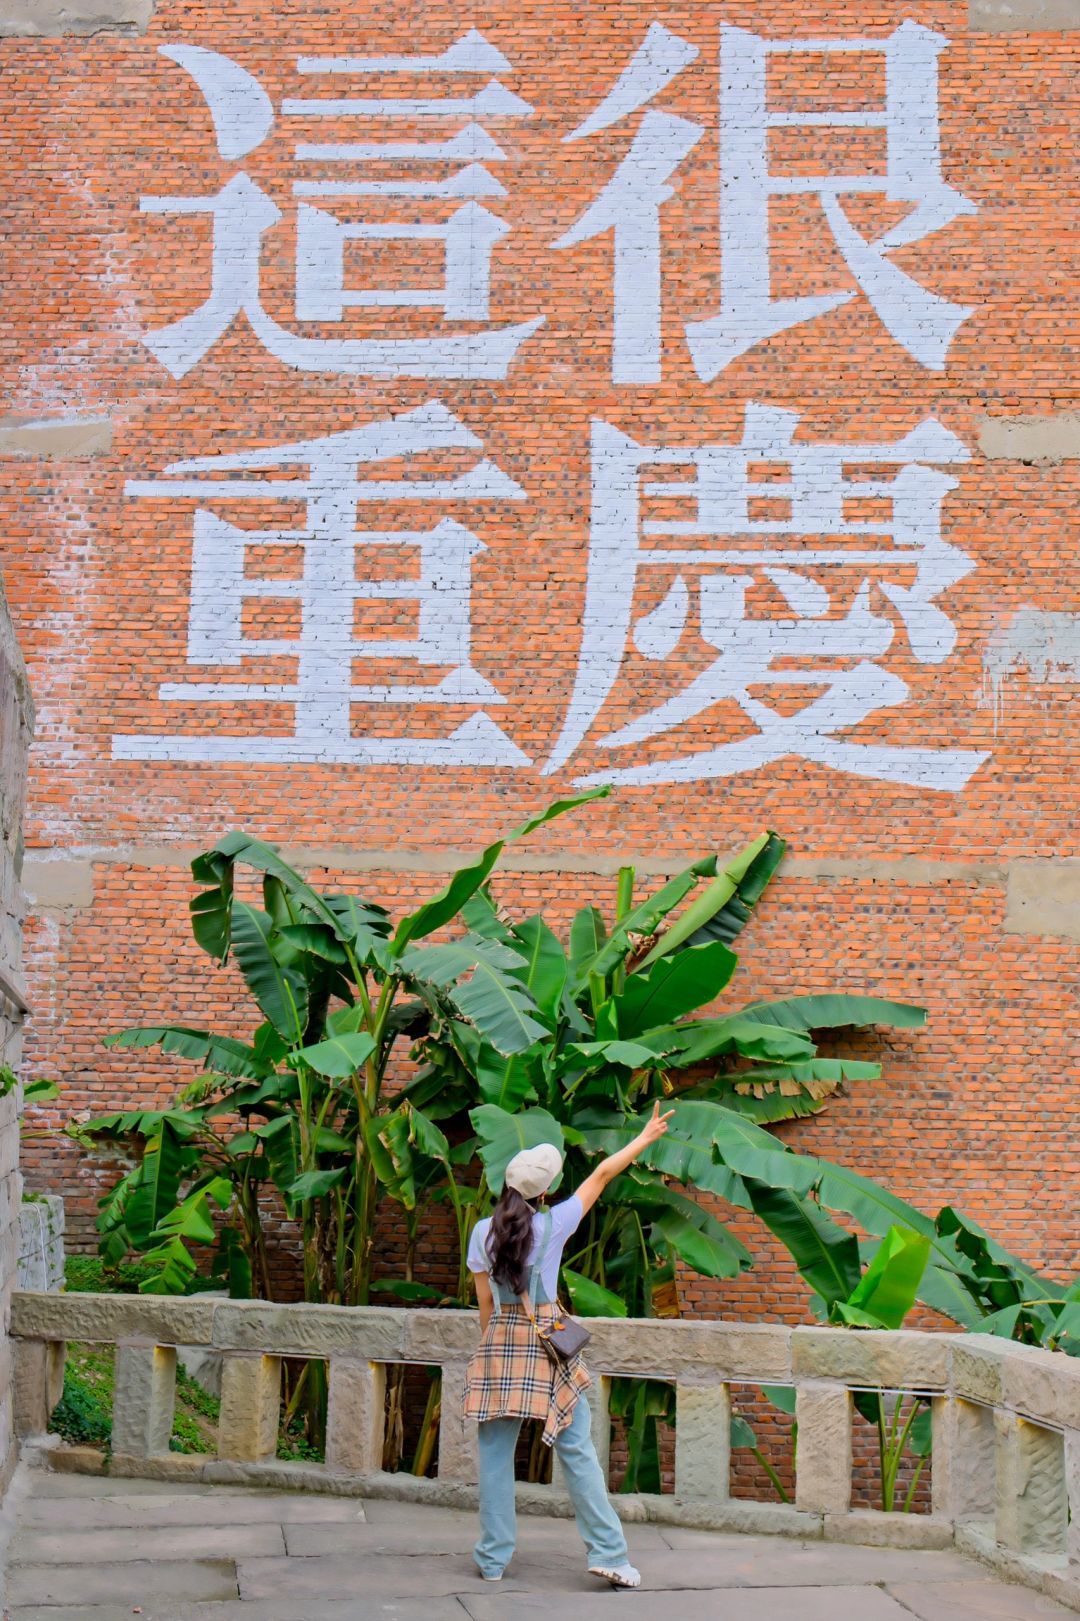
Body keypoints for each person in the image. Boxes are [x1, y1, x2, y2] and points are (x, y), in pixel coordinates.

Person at [463, 1101, 674, 1588]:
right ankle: (610, 1554)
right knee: (576, 1447)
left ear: (507, 1184)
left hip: (501, 1345)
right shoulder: (552, 1225)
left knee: (495, 1456)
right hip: (547, 1344)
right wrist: (644, 1137)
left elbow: (484, 1306)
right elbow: (601, 1174)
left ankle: (492, 1559)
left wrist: (493, 1350)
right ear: (548, 1190)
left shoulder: (480, 1233)